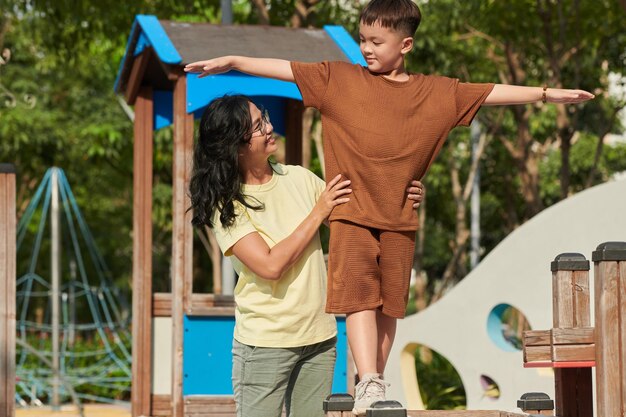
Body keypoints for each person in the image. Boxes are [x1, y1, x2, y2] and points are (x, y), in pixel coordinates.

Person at [185, 1, 594, 413]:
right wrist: (235, 61)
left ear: (406, 45)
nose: (365, 48)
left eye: (376, 41)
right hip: (352, 215)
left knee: (390, 304)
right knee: (361, 296)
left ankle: (374, 382)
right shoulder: (339, 81)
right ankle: (369, 379)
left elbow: (487, 93)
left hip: (400, 217)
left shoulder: (434, 93)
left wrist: (545, 94)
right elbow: (287, 69)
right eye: (362, 39)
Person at [188, 94, 425, 417]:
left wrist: (404, 195)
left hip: (320, 340)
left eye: (265, 117)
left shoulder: (298, 178)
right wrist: (318, 212)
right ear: (237, 145)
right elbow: (270, 265)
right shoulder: (227, 205)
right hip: (264, 345)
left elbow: (360, 220)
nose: (270, 127)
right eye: (259, 126)